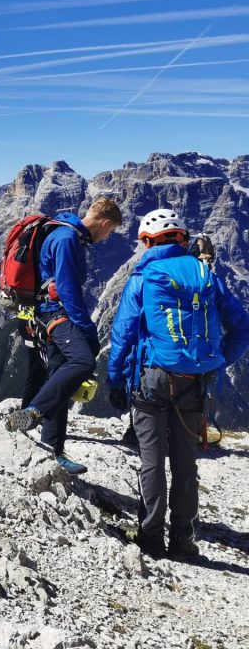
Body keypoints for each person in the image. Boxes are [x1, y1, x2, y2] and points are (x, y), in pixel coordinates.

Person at [107, 209, 249, 559]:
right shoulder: (206, 274)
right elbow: (243, 326)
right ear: (182, 239)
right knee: (185, 461)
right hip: (195, 382)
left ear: (146, 242)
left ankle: (151, 537)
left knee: (151, 458)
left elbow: (123, 333)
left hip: (152, 378)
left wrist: (115, 379)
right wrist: (216, 361)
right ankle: (183, 541)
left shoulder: (144, 276)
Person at [5, 196, 123, 476]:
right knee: (82, 362)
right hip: (53, 312)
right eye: (110, 231)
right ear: (104, 223)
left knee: (59, 372)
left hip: (45, 311)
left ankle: (53, 450)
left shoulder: (66, 232)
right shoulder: (67, 238)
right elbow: (68, 290)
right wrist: (88, 329)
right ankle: (32, 414)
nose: (107, 238)